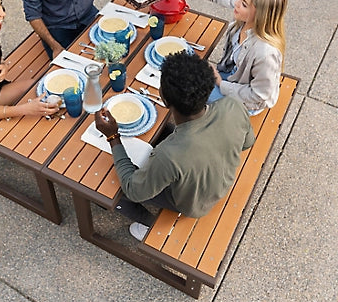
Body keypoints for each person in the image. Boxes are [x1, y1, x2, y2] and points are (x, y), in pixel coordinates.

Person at [95, 52, 255, 241]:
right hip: (221, 181)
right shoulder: (233, 105)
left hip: (193, 204)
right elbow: (248, 142)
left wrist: (113, 137)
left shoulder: (169, 155)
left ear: (163, 98)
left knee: (108, 188)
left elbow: (133, 189)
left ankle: (150, 224)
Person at [164, 0, 288, 115]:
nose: (236, 3)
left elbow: (261, 97)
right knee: (183, 71)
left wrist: (220, 84)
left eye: (244, 4)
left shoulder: (266, 53)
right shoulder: (245, 12)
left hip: (245, 101)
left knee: (186, 92)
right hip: (228, 77)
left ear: (261, 15)